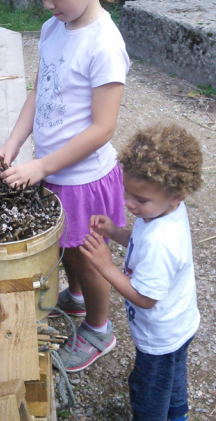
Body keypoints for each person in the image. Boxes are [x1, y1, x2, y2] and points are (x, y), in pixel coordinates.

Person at [0, 0, 132, 373]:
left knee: (88, 256)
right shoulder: (55, 29)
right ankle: (74, 298)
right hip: (52, 170)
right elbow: (39, 90)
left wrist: (42, 167)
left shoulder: (104, 44)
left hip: (83, 178)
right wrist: (14, 144)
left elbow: (102, 128)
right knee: (67, 246)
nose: (47, 4)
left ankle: (98, 329)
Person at [81, 124, 202, 421]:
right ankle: (178, 415)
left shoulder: (162, 242)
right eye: (127, 192)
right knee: (172, 381)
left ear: (177, 195)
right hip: (179, 324)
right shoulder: (165, 210)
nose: (128, 203)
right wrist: (114, 231)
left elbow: (146, 299)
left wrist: (105, 266)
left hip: (160, 336)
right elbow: (140, 239)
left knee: (148, 393)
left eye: (141, 200)